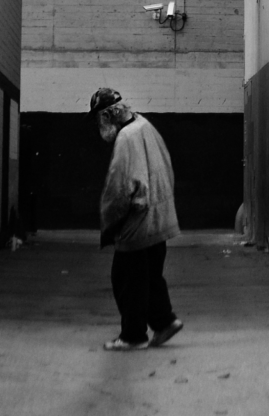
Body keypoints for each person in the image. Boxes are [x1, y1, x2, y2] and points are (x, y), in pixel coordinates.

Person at [87, 88, 184, 351]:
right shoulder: (146, 126)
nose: (100, 127)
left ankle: (133, 336)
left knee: (125, 278)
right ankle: (165, 322)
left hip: (139, 221)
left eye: (100, 120)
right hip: (161, 216)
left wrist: (109, 224)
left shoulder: (125, 138)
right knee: (150, 276)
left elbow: (118, 189)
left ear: (109, 115)